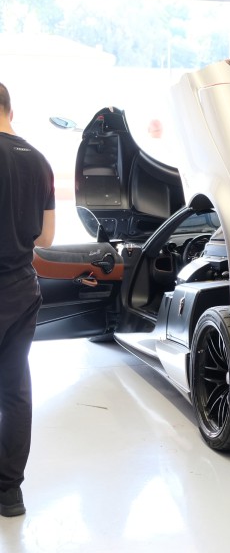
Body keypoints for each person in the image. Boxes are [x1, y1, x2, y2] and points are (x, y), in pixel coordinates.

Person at [0, 82, 55, 517]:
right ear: (10, 110)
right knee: (15, 389)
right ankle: (9, 493)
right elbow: (47, 237)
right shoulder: (39, 160)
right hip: (22, 287)